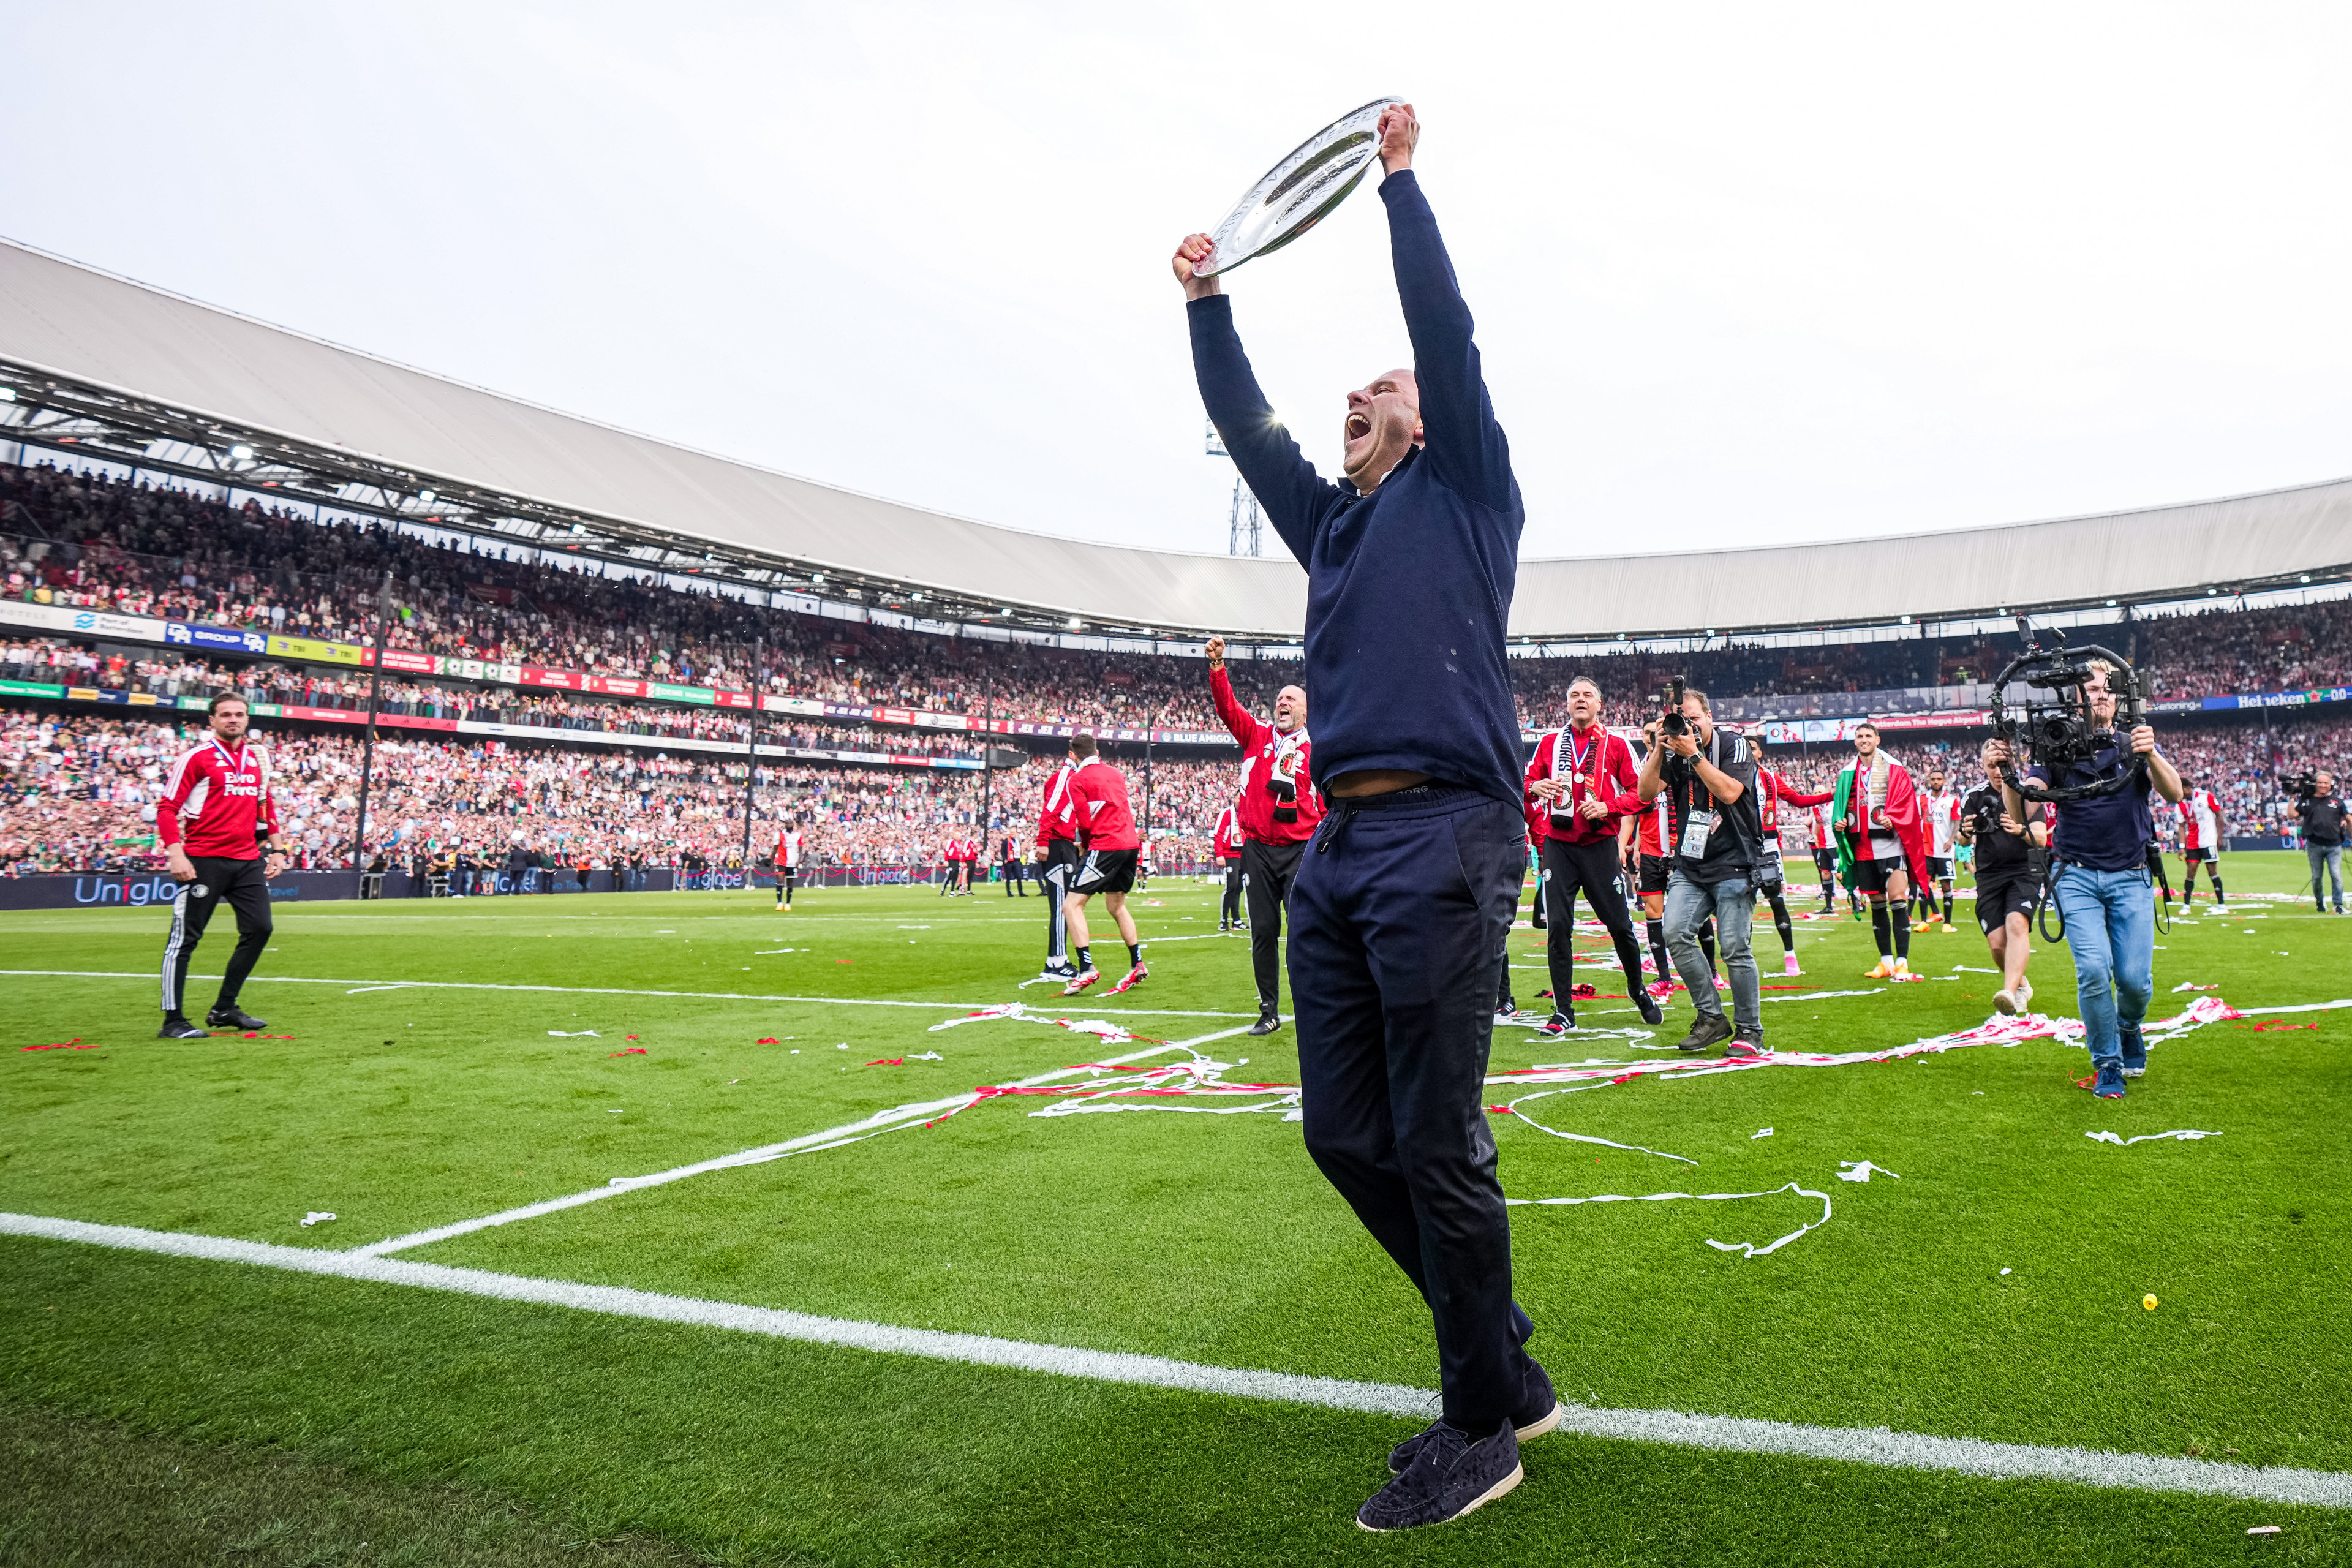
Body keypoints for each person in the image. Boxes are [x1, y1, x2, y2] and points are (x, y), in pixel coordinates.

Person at [1176, 102, 1553, 1530]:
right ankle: (1501, 1366)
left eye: (1379, 386)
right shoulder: (1330, 521)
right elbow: (1239, 418)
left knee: (1438, 1136)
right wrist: (1208, 306)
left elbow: (1444, 339)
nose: (1363, 390)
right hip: (1338, 847)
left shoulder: (1464, 486)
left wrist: (1398, 189)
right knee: (1345, 1132)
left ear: (1423, 418)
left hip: (1450, 832)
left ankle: (1480, 1421)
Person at [1995, 662, 2184, 1098]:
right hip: (2076, 875)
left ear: (2118, 699)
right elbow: (2024, 809)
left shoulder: (2131, 743)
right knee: (2095, 973)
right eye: (2092, 690)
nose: (2101, 696)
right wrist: (2008, 774)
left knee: (2136, 981)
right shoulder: (2055, 748)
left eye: (2107, 690)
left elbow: (2174, 794)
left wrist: (2151, 752)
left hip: (2131, 874)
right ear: (2075, 699)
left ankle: (2129, 1026)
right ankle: (2107, 1062)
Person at [1523, 676, 1662, 1035]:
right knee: (1558, 929)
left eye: (1588, 695)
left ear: (1600, 705)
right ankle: (1563, 1011)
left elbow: (1642, 793)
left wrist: (1608, 807)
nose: (1580, 700)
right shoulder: (1550, 744)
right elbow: (1521, 785)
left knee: (1620, 926)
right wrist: (1534, 787)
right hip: (1559, 846)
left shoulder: (1616, 745)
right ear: (1566, 705)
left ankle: (1638, 989)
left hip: (1600, 847)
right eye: (1574, 695)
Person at [1632, 688, 1765, 1057]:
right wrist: (1660, 747)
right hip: (1691, 863)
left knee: (1735, 948)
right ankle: (1711, 1017)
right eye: (1681, 721)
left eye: (1693, 718)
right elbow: (1644, 793)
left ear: (1709, 716)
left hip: (1734, 861)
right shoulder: (1672, 751)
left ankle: (1750, 1030)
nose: (1687, 726)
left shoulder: (1734, 745)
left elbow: (1730, 792)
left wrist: (1693, 756)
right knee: (1675, 933)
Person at [1204, 635, 1320, 1034]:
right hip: (1257, 850)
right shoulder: (1256, 734)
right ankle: (1268, 1010)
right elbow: (1227, 709)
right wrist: (1218, 669)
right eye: (1279, 700)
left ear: (1306, 712)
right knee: (1264, 932)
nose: (1282, 703)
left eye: (1291, 700)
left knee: (1306, 932)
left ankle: (1313, 1008)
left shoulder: (1317, 747)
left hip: (1300, 850)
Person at [156, 695, 287, 1038]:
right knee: (184, 940)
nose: (233, 719)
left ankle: (224, 1008)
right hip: (203, 860)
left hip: (246, 860)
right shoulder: (196, 758)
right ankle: (173, 1021)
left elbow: (265, 804)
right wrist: (176, 852)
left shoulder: (257, 757)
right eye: (226, 714)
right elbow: (167, 807)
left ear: (247, 719)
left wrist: (278, 849)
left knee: (260, 929)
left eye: (239, 714)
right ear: (212, 720)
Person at [1832, 723, 1931, 981]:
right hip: (1863, 848)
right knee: (1876, 904)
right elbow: (1841, 808)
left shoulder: (1894, 768)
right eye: (1859, 737)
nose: (1864, 740)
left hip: (1891, 844)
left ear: (1878, 738)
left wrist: (1894, 819)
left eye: (1868, 736)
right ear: (1855, 742)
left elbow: (1907, 804)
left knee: (1897, 899)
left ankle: (1903, 962)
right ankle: (1886, 962)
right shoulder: (1847, 773)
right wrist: (1840, 823)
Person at [1956, 737, 2045, 1015]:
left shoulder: (2028, 793)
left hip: (2024, 869)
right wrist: (1967, 831)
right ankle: (2020, 985)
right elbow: (1961, 840)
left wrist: (2019, 830)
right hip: (1989, 874)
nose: (1997, 771)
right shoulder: (1973, 797)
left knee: (2016, 923)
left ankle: (2009, 992)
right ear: (1983, 765)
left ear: (2013, 764)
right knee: (1996, 944)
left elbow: (2041, 838)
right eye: (1992, 765)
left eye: (2003, 765)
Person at [1055, 733, 1147, 995]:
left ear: (1073, 755)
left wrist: (1084, 845)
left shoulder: (1077, 779)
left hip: (1107, 845)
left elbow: (1084, 822)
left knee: (1072, 906)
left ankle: (1086, 969)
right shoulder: (1116, 774)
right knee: (1116, 905)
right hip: (1130, 844)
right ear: (1097, 751)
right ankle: (1137, 963)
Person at [1749, 734, 1833, 978]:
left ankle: (1790, 955)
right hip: (1740, 847)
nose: (1748, 752)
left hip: (1768, 845)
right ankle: (1744, 961)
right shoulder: (1729, 776)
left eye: (1752, 748)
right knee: (1741, 904)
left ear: (1760, 753)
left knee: (1776, 900)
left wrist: (1832, 796)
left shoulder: (1770, 778)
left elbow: (1797, 800)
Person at [1033, 750, 1082, 979]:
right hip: (1057, 844)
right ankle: (1057, 963)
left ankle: (1054, 960)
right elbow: (1051, 809)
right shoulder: (1066, 775)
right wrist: (1043, 841)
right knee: (1063, 905)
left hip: (1063, 843)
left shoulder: (1072, 776)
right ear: (1072, 754)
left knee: (1062, 905)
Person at [2175, 777, 2227, 912]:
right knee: (2191, 870)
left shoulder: (2206, 796)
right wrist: (2182, 846)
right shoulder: (2179, 803)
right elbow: (2182, 826)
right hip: (2193, 843)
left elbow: (2219, 815)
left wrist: (2219, 837)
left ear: (2187, 787)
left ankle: (2221, 904)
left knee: (2212, 871)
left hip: (2208, 840)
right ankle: (2186, 905)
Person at [2296, 771, 2345, 914]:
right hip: (2314, 845)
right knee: (2316, 877)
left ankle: (2338, 904)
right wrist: (2292, 797)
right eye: (2320, 783)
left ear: (2331, 785)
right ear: (2315, 784)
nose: (2323, 785)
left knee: (2336, 874)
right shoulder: (2308, 800)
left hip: (2334, 845)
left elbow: (2348, 817)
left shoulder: (2338, 802)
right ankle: (2319, 901)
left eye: (2326, 783)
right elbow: (2292, 814)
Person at [1923, 768, 1963, 932]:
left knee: (1946, 885)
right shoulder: (1921, 800)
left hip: (1945, 850)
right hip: (1926, 849)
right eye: (1933, 779)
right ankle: (1924, 921)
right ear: (1929, 781)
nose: (1936, 782)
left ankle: (1947, 923)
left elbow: (1957, 821)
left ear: (1944, 781)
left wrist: (1952, 839)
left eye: (1939, 779)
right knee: (1923, 885)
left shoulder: (1952, 800)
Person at [1211, 795, 1246, 930]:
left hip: (1244, 855)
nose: (1241, 801)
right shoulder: (1226, 813)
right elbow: (1218, 834)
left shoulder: (1246, 812)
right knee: (1231, 887)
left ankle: (1236, 920)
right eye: (1239, 798)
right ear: (1235, 799)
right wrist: (1219, 855)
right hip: (1230, 855)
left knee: (1238, 888)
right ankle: (1223, 920)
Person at [774, 821, 801, 910]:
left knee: (790, 883)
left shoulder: (797, 835)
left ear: (793, 825)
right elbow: (775, 847)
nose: (789, 825)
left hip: (792, 862)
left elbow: (801, 848)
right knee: (780, 880)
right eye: (787, 823)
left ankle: (788, 904)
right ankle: (779, 903)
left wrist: (799, 860)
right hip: (782, 861)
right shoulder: (780, 834)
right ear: (785, 825)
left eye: (790, 823)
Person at [1000, 831, 1027, 897]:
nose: (1013, 834)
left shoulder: (1017, 841)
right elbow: (1003, 851)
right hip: (1009, 861)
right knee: (1008, 877)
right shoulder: (1006, 841)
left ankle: (1021, 892)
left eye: (1014, 833)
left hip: (1017, 860)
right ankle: (1009, 892)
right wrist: (1005, 859)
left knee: (1019, 877)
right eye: (1012, 833)